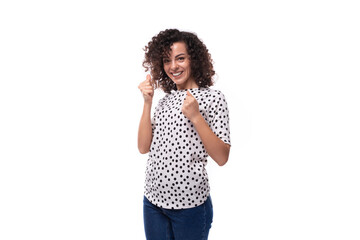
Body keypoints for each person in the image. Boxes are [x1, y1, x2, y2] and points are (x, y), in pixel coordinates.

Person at [137, 29, 231, 240]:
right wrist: (147, 103)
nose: (173, 66)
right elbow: (143, 148)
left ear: (193, 60)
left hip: (190, 206)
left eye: (180, 58)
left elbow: (222, 157)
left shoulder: (213, 98)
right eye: (167, 61)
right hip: (153, 202)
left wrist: (196, 117)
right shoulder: (164, 101)